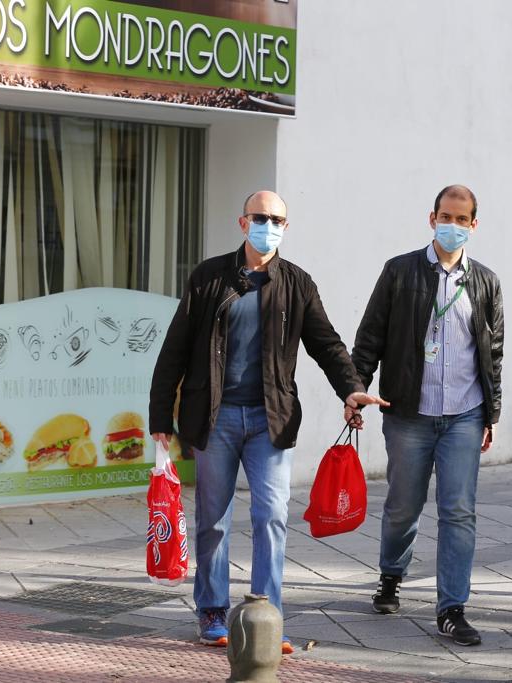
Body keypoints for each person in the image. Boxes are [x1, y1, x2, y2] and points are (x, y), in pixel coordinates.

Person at [149, 190, 387, 654]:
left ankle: (265, 615)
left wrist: (351, 388)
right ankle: (213, 613)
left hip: (270, 420)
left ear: (286, 227)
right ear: (243, 223)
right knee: (213, 520)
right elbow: (174, 348)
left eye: (277, 219)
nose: (268, 225)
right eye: (260, 217)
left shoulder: (297, 283)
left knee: (271, 516)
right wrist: (161, 415)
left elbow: (327, 344)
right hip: (214, 418)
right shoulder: (209, 277)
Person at [348, 184, 503, 646]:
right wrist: (356, 390)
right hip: (408, 414)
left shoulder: (486, 281)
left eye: (462, 219)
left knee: (459, 511)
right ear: (431, 218)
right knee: (403, 507)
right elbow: (370, 336)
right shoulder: (400, 271)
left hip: (464, 415)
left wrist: (491, 414)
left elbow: (493, 352)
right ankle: (391, 575)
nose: (452, 226)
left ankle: (452, 608)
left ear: (474, 225)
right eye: (445, 217)